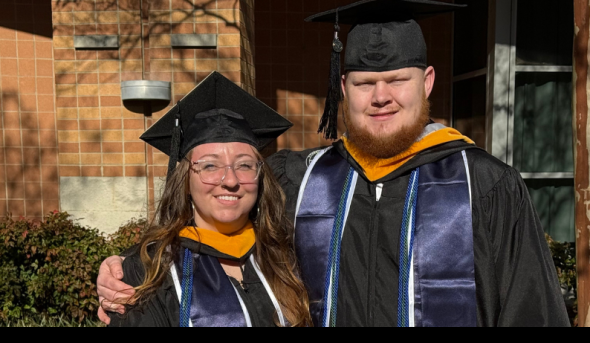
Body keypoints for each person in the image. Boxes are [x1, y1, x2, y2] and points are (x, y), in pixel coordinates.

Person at [98, 0, 570, 327]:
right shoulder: (300, 179)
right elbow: (213, 225)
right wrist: (124, 271)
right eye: (365, 82)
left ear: (426, 82)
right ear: (342, 89)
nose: (381, 97)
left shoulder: (485, 185)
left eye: (397, 80)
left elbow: (531, 311)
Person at [105, 71, 312, 327]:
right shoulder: (150, 272)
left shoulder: (286, 257)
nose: (231, 180)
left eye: (245, 165)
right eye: (210, 166)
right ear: (186, 182)